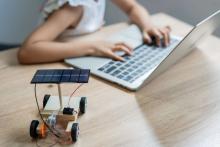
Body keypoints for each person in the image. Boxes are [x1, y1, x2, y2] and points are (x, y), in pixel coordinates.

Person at [18, 0, 171, 64]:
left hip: (81, 54)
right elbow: (27, 51)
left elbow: (133, 8)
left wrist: (147, 25)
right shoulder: (72, 8)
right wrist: (92, 48)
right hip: (58, 60)